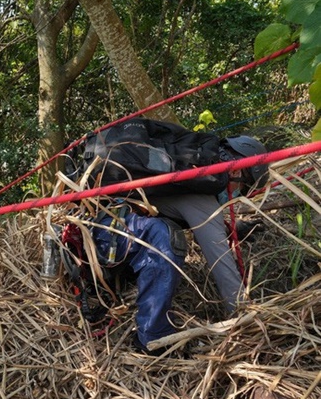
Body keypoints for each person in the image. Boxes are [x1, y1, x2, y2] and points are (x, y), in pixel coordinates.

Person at [148, 135, 269, 314]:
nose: (237, 197)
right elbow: (221, 261)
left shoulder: (191, 168)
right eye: (242, 190)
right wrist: (242, 312)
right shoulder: (201, 197)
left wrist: (232, 229)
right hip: (119, 237)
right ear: (236, 172)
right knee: (168, 239)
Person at [64, 204, 187, 355]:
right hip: (104, 215)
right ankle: (153, 337)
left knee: (165, 234)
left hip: (144, 214)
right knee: (163, 236)